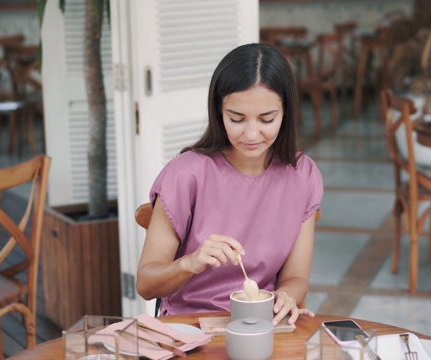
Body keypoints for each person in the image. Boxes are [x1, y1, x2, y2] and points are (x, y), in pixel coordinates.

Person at [136, 43, 324, 326]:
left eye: (266, 119)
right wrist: (190, 262)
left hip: (260, 324)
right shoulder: (187, 173)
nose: (251, 134)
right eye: (236, 119)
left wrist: (285, 295)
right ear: (218, 111)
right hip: (191, 329)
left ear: (286, 113)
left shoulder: (302, 175)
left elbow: (296, 278)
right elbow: (146, 284)